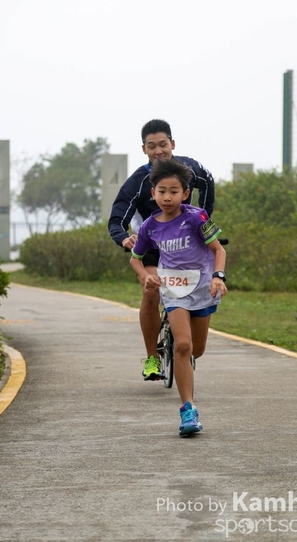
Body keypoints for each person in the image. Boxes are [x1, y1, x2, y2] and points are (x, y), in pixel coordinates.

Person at [108, 119, 215, 381]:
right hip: (153, 246)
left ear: (172, 144)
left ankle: (186, 339)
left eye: (163, 144)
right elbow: (117, 219)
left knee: (196, 340)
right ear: (144, 149)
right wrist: (124, 238)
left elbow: (209, 182)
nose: (158, 151)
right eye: (151, 146)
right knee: (151, 291)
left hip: (186, 244)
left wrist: (204, 223)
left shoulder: (190, 168)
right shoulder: (137, 181)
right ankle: (152, 359)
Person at [129, 159, 227, 436]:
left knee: (197, 350)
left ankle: (184, 355)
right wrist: (145, 276)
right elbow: (136, 259)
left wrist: (218, 277)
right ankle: (188, 410)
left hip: (202, 288)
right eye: (162, 191)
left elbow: (219, 250)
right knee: (183, 345)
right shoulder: (149, 226)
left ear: (185, 194)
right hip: (173, 291)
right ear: (153, 193)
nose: (167, 197)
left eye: (174, 191)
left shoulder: (197, 218)